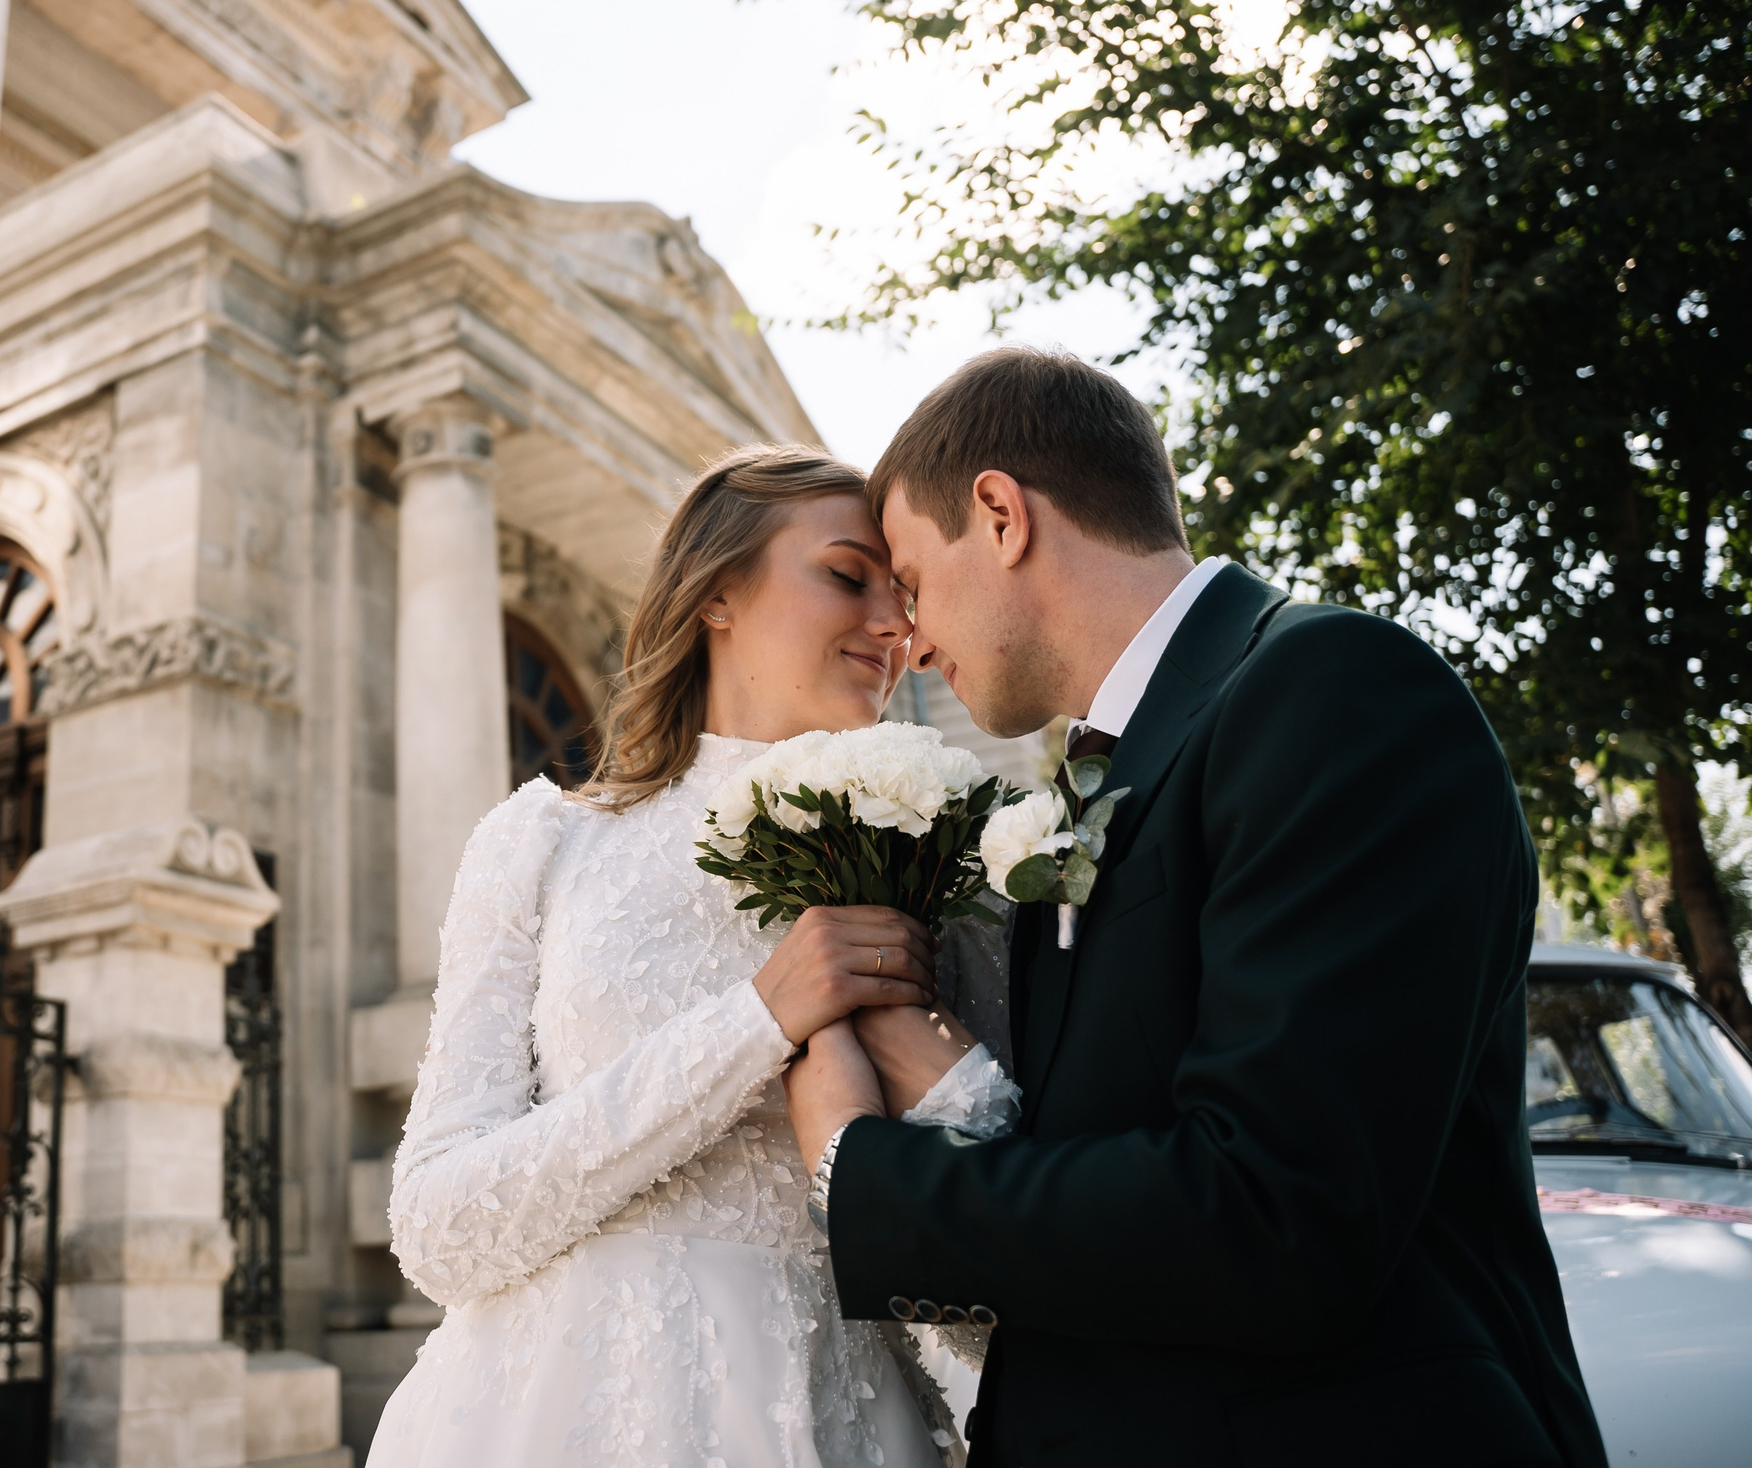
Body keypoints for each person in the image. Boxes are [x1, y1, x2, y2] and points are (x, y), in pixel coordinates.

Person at [785, 347, 1608, 1467]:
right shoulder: (1094, 783)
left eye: (918, 585)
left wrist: (865, 1168)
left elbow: (1278, 1214)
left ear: (999, 513)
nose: (913, 640)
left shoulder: (1332, 691)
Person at [369, 444, 997, 1468]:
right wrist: (758, 1019)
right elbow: (439, 1232)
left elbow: (998, 1289)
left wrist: (930, 1067)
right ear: (715, 592)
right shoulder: (545, 843)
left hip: (842, 1420)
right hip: (552, 1417)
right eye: (846, 576)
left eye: (904, 594)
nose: (892, 625)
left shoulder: (940, 867)